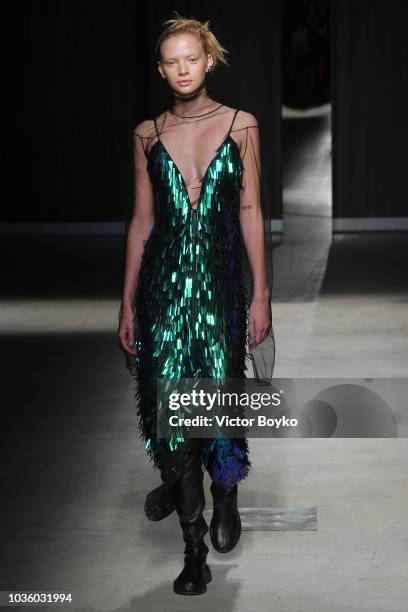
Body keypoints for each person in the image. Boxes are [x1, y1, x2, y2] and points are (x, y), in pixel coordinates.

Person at [118, 13, 273, 596]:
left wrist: (261, 292)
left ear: (210, 60)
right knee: (170, 417)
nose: (183, 69)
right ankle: (192, 548)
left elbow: (251, 211)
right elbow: (142, 221)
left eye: (193, 57)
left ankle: (227, 491)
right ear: (161, 70)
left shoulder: (241, 125)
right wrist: (127, 303)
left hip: (220, 288)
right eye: (171, 61)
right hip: (161, 293)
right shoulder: (146, 134)